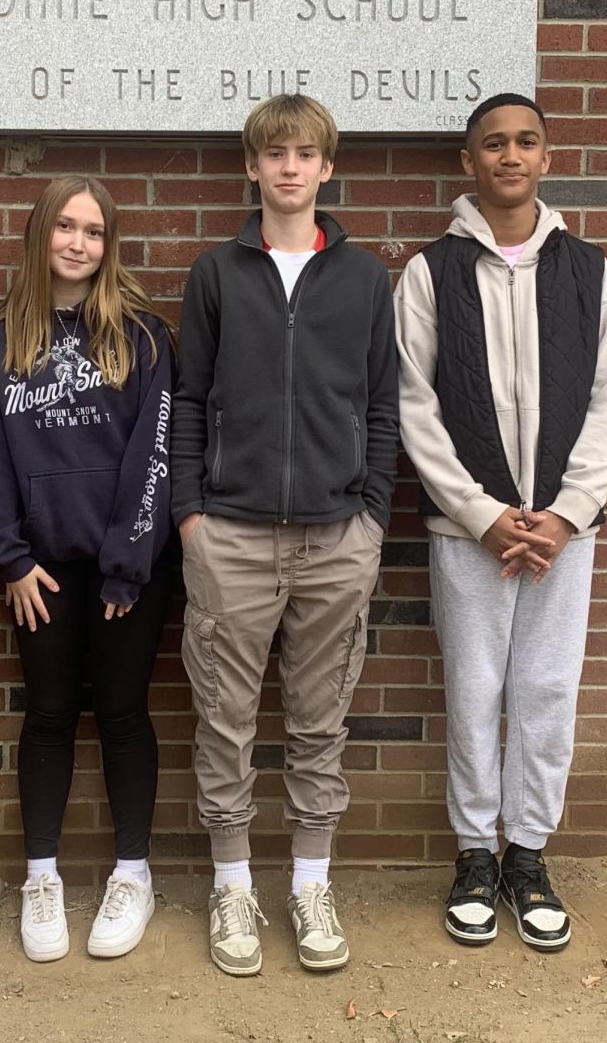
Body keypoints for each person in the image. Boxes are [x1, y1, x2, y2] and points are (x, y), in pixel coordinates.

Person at [394, 93, 607, 952]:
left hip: (564, 536)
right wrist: (483, 513)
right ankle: (471, 856)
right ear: (468, 162)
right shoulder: (430, 273)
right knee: (474, 691)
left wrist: (565, 516)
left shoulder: (592, 272)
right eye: (492, 143)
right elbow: (412, 407)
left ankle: (525, 854)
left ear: (545, 156)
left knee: (544, 692)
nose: (509, 156)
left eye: (525, 141)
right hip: (471, 534)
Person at [171, 94, 399, 975]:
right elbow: (189, 400)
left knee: (318, 723)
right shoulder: (217, 272)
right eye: (275, 154)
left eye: (305, 154)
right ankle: (233, 887)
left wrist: (372, 513)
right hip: (229, 534)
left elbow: (382, 405)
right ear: (253, 167)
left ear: (326, 167)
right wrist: (190, 515)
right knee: (223, 722)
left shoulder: (364, 277)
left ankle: (309, 884)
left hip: (338, 535)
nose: (290, 168)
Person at [0, 176, 176, 963]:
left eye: (93, 230)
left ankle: (132, 871)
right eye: (65, 227)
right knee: (49, 711)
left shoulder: (144, 337)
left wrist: (128, 562)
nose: (79, 243)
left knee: (122, 710)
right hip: (39, 571)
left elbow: (154, 456)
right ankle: (41, 875)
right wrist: (9, 559)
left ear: (107, 243)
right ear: (40, 235)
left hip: (132, 565)